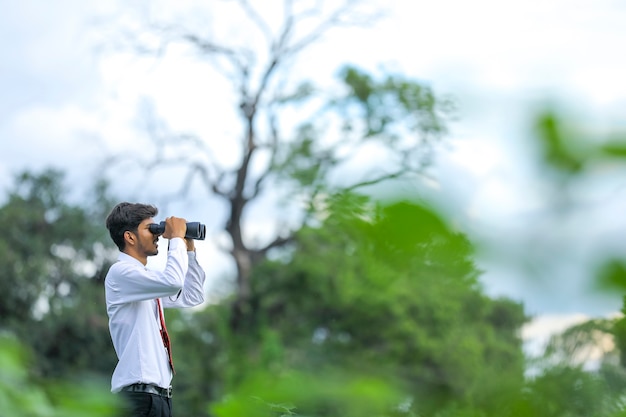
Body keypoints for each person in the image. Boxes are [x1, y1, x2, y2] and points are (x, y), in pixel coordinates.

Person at [104, 202, 206, 417]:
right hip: (138, 397)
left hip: (159, 398)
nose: (157, 234)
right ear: (130, 237)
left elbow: (192, 295)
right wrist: (176, 239)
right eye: (150, 229)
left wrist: (188, 250)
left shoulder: (144, 280)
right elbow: (173, 282)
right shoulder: (120, 273)